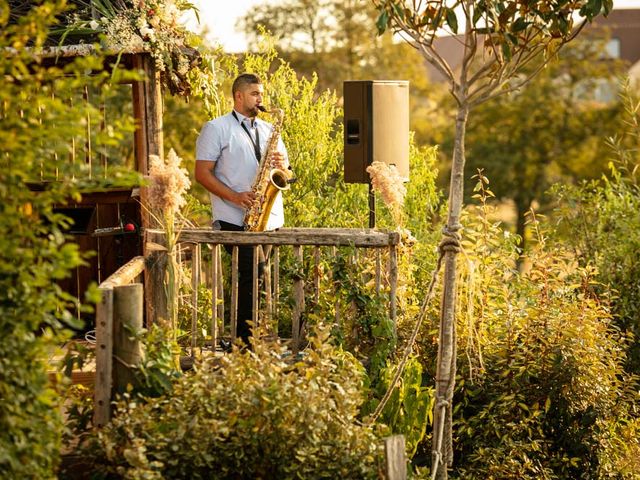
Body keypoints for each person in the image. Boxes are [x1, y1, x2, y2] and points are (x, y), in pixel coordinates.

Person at [195, 73, 288, 346]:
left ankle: (250, 342)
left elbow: (287, 175)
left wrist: (283, 165)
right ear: (238, 96)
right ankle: (245, 346)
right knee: (251, 280)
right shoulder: (216, 128)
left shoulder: (271, 129)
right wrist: (235, 197)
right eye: (255, 94)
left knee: (260, 281)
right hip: (235, 218)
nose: (261, 99)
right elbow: (202, 174)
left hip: (268, 218)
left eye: (261, 93)